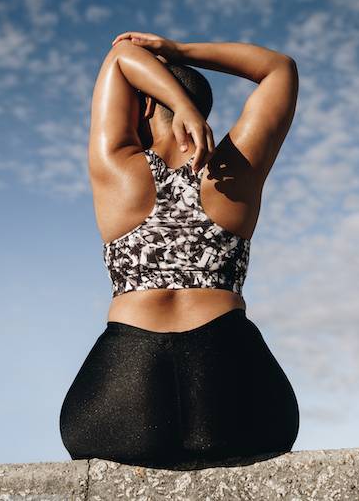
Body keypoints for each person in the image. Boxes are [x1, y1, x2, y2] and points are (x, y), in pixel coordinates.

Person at [59, 31, 300, 470]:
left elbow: (120, 54)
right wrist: (179, 52)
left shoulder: (117, 165)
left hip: (121, 402)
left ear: (146, 103)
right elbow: (279, 68)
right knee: (265, 433)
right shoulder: (234, 167)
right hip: (235, 395)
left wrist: (177, 99)